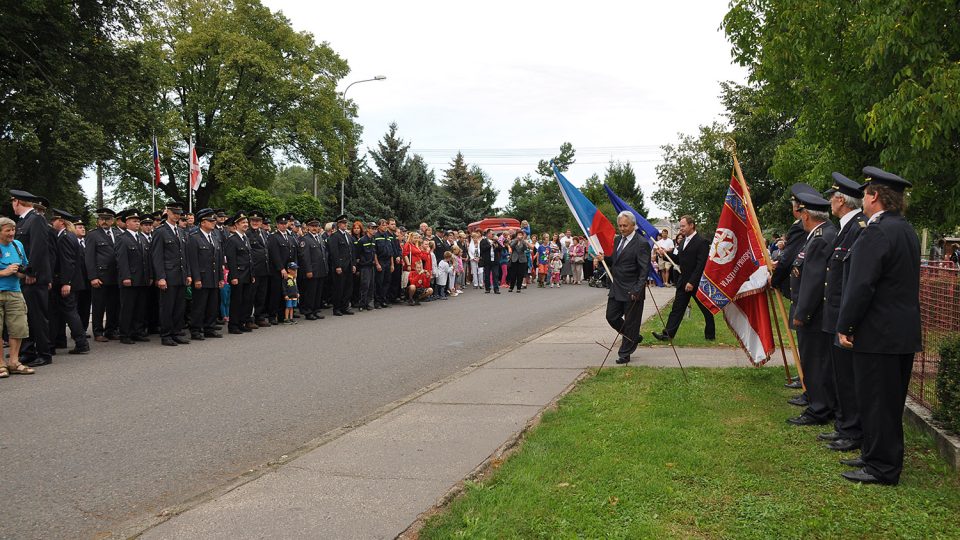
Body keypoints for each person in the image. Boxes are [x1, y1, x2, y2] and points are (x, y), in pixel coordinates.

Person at [836, 166, 921, 485]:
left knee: (877, 401)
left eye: (866, 193)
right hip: (899, 332)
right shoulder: (905, 229)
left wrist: (846, 324)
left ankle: (882, 467)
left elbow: (861, 285)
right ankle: (874, 454)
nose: (863, 199)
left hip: (878, 333)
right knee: (886, 400)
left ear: (875, 197)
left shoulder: (876, 231)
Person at [819, 173, 868, 452]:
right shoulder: (845, 227)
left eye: (832, 197)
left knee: (849, 378)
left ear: (840, 201)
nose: (829, 202)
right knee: (840, 376)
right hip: (835, 312)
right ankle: (843, 424)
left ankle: (852, 431)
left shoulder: (858, 228)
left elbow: (854, 279)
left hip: (844, 315)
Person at [784, 188, 838, 428]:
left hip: (814, 315)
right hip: (813, 312)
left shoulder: (821, 237)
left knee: (815, 362)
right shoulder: (819, 234)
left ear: (806, 215)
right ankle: (816, 402)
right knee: (813, 361)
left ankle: (818, 409)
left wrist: (802, 312)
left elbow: (814, 280)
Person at [597, 211, 650, 364]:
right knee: (611, 316)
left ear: (633, 225)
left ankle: (625, 353)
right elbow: (616, 260)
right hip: (616, 286)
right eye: (620, 225)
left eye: (625, 226)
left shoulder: (642, 243)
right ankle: (633, 336)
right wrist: (603, 259)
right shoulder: (618, 239)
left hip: (632, 289)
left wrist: (637, 289)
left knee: (632, 322)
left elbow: (644, 269)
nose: (622, 228)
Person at [10, 190, 54, 366]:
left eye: (13, 201)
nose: (12, 204)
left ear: (18, 201)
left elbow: (38, 249)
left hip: (33, 277)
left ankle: (44, 353)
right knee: (26, 316)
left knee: (37, 316)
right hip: (25, 274)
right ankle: (27, 351)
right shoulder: (23, 221)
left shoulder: (36, 219)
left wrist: (31, 272)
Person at [654, 215, 714, 342]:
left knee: (706, 309)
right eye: (680, 226)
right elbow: (678, 259)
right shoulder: (683, 241)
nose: (681, 229)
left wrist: (692, 282)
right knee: (677, 308)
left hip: (696, 283)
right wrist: (664, 254)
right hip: (683, 282)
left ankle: (710, 334)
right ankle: (667, 334)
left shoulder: (701, 242)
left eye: (683, 226)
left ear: (691, 225)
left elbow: (701, 265)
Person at [48, 208, 90, 355]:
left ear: (61, 222)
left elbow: (68, 262)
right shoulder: (69, 236)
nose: (52, 223)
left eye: (54, 220)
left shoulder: (65, 237)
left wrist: (67, 282)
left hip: (67, 281)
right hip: (70, 280)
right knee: (66, 311)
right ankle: (58, 341)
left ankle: (81, 343)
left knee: (70, 312)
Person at [151, 201, 191, 347]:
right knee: (167, 306)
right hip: (168, 275)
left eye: (179, 214)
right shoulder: (160, 231)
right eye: (174, 213)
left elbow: (184, 255)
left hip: (180, 274)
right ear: (167, 212)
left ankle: (176, 332)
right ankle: (166, 334)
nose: (177, 216)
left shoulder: (181, 231)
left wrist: (188, 274)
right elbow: (157, 256)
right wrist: (160, 277)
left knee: (179, 306)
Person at [0, 216, 35, 377]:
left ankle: (14, 362)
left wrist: (22, 273)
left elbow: (24, 267)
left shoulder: (17, 245)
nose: (12, 233)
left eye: (13, 230)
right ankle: (1, 364)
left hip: (15, 292)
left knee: (18, 328)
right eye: (8, 230)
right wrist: (4, 272)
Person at [115, 209, 153, 344]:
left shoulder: (142, 238)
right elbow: (122, 260)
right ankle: (125, 333)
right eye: (134, 221)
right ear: (127, 222)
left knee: (140, 307)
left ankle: (138, 331)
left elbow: (146, 260)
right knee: (128, 307)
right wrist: (126, 276)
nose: (137, 223)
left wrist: (149, 276)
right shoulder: (122, 238)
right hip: (130, 279)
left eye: (138, 221)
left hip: (142, 279)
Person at [186, 208, 223, 340]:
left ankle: (209, 327)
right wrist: (196, 278)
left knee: (212, 305)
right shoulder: (194, 238)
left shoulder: (214, 237)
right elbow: (193, 260)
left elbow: (218, 259)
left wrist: (220, 277)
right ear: (202, 222)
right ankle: (196, 329)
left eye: (214, 220)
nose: (213, 223)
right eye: (210, 220)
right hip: (201, 277)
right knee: (199, 306)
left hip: (213, 277)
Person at [224, 212, 255, 334]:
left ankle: (242, 322)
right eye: (243, 223)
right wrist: (234, 276)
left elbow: (250, 259)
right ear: (236, 224)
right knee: (236, 301)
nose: (246, 225)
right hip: (238, 275)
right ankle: (233, 325)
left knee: (246, 300)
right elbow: (231, 260)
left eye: (246, 222)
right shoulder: (232, 240)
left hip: (247, 275)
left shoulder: (245, 238)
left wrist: (252, 275)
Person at [267, 214, 296, 322]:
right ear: (277, 225)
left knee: (286, 293)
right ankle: (272, 316)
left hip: (289, 271)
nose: (283, 226)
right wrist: (281, 268)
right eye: (281, 224)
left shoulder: (290, 237)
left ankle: (282, 315)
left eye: (285, 223)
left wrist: (293, 269)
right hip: (277, 270)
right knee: (276, 293)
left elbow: (293, 254)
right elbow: (275, 254)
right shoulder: (273, 237)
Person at [297, 217, 327, 320]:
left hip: (321, 270)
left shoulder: (320, 238)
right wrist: (308, 270)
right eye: (312, 226)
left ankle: (316, 310)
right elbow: (305, 257)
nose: (314, 228)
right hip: (312, 270)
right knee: (310, 292)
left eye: (316, 226)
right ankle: (308, 311)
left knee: (318, 292)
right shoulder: (305, 239)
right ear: (308, 227)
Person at [246, 210, 272, 327]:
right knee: (251, 296)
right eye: (253, 220)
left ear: (261, 222)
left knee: (261, 295)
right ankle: (248, 318)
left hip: (264, 269)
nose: (255, 223)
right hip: (254, 270)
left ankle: (259, 316)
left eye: (258, 221)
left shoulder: (264, 233)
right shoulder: (247, 233)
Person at [327, 215, 356, 316]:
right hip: (340, 266)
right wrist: (337, 266)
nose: (345, 224)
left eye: (346, 223)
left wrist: (353, 264)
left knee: (348, 288)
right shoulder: (334, 236)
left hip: (348, 265)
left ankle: (345, 307)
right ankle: (337, 308)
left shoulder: (348, 236)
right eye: (343, 223)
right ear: (338, 224)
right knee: (339, 287)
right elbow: (334, 252)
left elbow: (352, 251)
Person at [73, 217, 92, 338]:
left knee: (86, 305)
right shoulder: (72, 242)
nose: (83, 229)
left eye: (83, 227)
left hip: (87, 279)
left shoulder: (87, 242)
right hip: (76, 280)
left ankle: (83, 329)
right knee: (76, 306)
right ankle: (77, 330)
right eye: (79, 227)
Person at [354, 222, 379, 311]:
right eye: (372, 228)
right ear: (368, 229)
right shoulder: (362, 240)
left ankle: (368, 303)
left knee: (371, 286)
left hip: (371, 266)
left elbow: (374, 252)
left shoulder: (373, 239)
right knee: (365, 286)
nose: (374, 230)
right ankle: (362, 304)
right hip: (364, 266)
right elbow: (357, 255)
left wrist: (376, 263)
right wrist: (358, 268)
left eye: (375, 228)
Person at [479, 229, 501, 293]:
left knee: (496, 275)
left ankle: (496, 289)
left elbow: (501, 249)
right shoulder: (483, 241)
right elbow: (482, 249)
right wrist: (490, 245)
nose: (493, 235)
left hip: (495, 260)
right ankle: (487, 288)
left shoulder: (495, 241)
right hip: (487, 261)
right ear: (488, 234)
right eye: (492, 234)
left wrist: (497, 245)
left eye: (494, 234)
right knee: (487, 275)